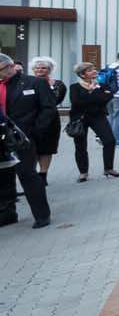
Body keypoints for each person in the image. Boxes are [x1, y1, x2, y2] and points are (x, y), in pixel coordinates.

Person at [0, 53, 55, 228]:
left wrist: (35, 131)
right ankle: (7, 213)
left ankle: (42, 215)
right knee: (3, 176)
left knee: (27, 174)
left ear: (10, 67)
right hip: (2, 137)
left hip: (22, 137)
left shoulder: (34, 83)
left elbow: (48, 109)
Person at [70, 62, 119, 182]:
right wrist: (94, 94)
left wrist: (90, 94)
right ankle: (83, 172)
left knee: (109, 140)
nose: (95, 71)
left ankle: (109, 168)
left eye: (94, 69)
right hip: (80, 118)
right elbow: (76, 102)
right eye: (90, 70)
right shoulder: (75, 87)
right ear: (82, 74)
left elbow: (105, 99)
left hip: (98, 116)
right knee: (80, 145)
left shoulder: (103, 85)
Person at [27, 57, 66, 183]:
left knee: (47, 148)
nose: (40, 70)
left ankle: (43, 175)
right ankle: (32, 176)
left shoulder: (58, 84)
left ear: (50, 70)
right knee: (31, 149)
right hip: (30, 119)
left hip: (50, 120)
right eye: (37, 68)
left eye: (43, 68)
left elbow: (55, 100)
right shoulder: (27, 82)